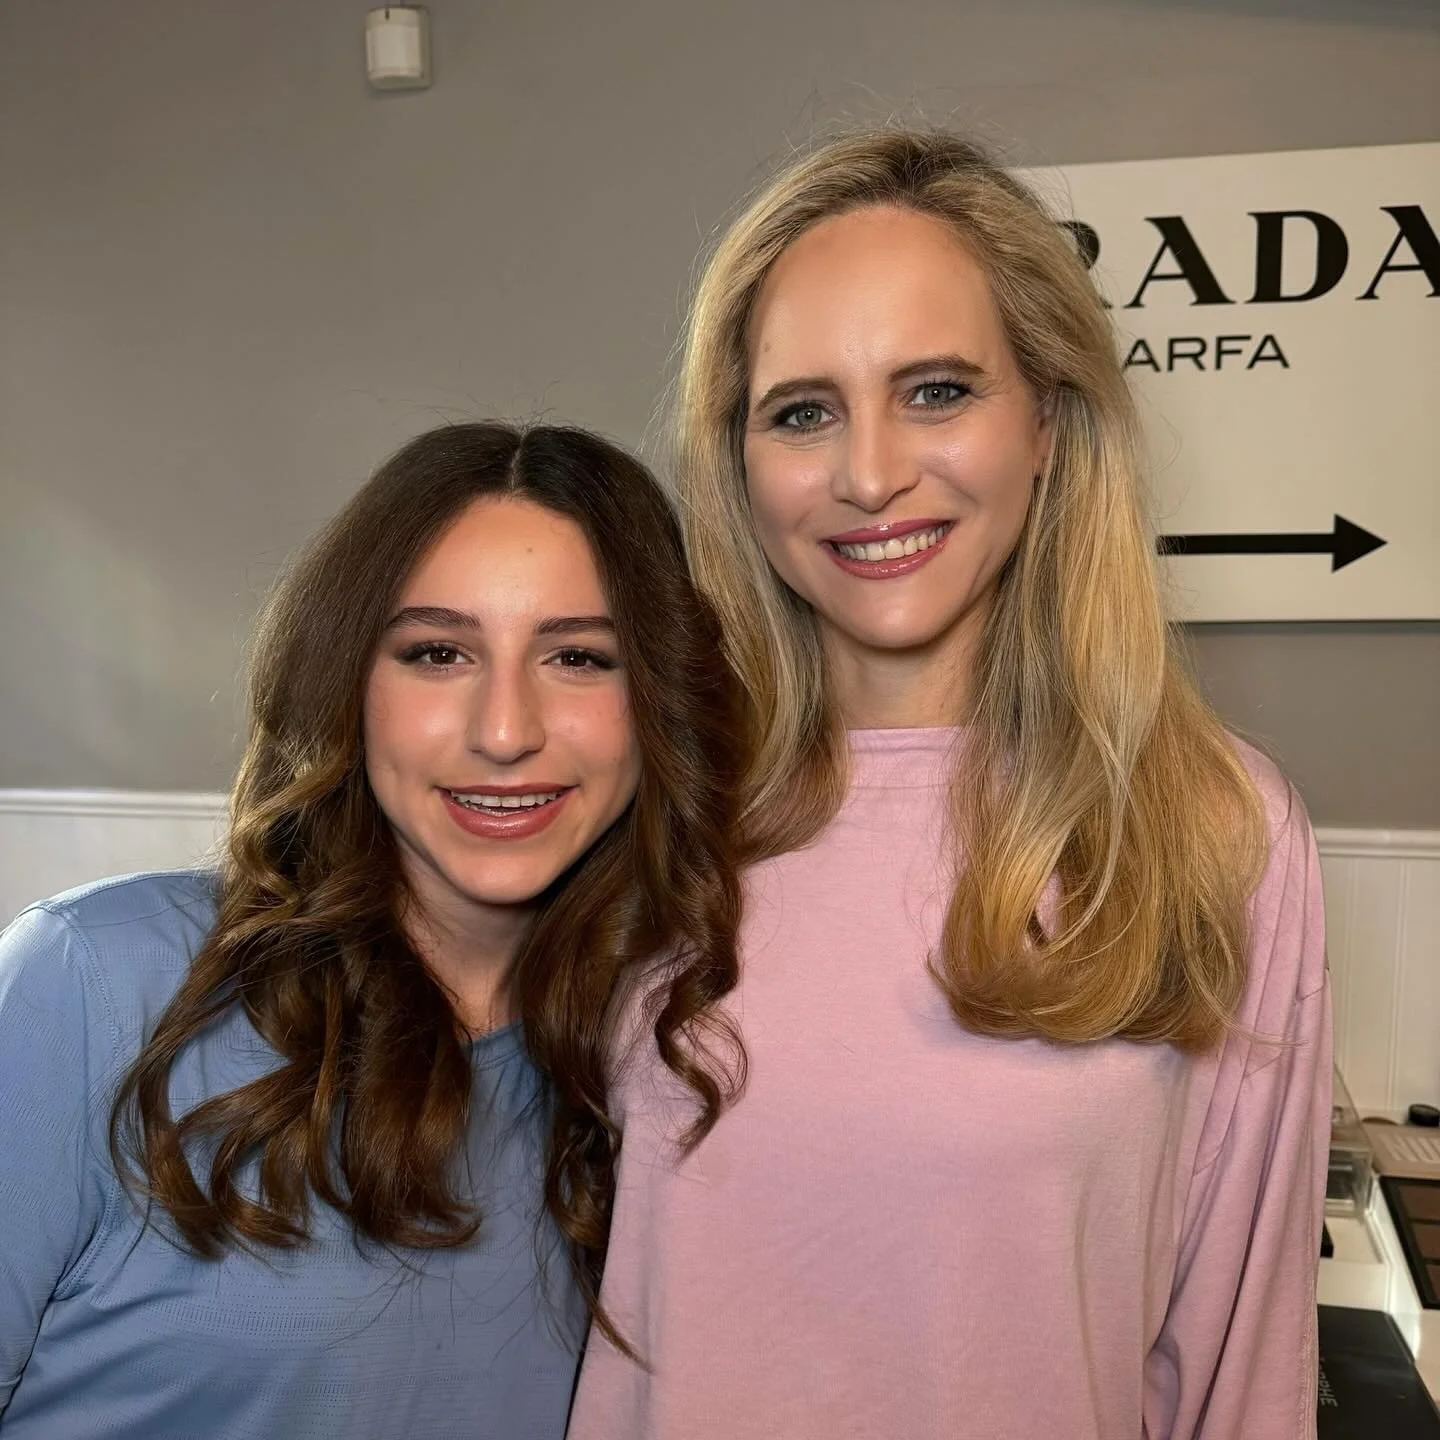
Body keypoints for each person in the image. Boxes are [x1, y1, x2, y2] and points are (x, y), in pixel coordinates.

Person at [569, 130, 1331, 1439]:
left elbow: (1238, 1367)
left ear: (1046, 421)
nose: (869, 473)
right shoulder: (641, 795)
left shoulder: (1213, 823)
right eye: (802, 411)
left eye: (935, 391)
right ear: (741, 469)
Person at [0, 422, 740, 1439]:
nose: (504, 730)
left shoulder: (664, 1056)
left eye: (578, 656)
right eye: (437, 653)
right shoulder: (94, 980)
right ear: (348, 681)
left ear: (656, 699)